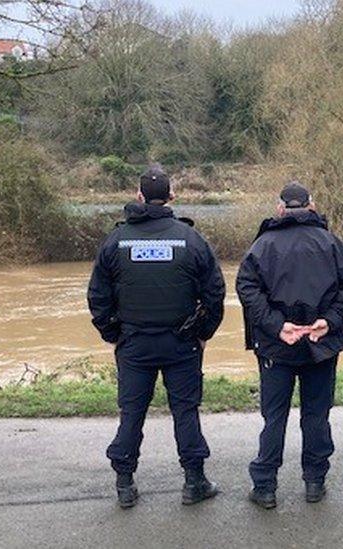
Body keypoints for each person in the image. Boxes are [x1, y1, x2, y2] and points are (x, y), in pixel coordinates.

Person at [87, 164, 226, 509]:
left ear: (138, 196)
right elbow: (215, 293)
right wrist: (203, 333)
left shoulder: (117, 241)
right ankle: (194, 482)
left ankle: (124, 484)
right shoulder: (190, 239)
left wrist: (112, 335)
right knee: (185, 411)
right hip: (181, 342)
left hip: (134, 344)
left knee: (131, 412)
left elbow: (97, 296)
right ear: (171, 197)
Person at [236, 181, 343, 509]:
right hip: (321, 342)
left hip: (276, 346)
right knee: (317, 414)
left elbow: (246, 288)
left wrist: (277, 326)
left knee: (274, 416)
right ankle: (314, 481)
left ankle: (265, 486)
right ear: (311, 205)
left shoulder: (262, 245)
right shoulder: (333, 243)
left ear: (280, 209)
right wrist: (331, 321)